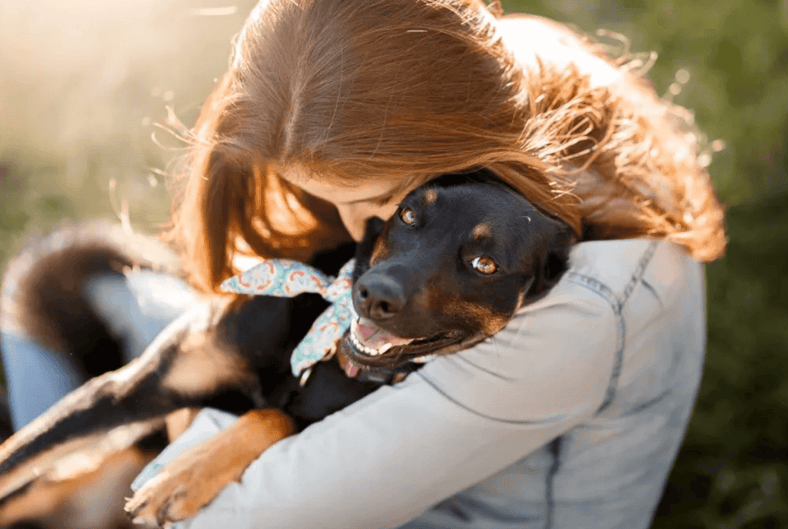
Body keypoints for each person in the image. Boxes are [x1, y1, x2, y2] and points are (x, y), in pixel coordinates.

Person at [2, 0, 727, 528]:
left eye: (381, 199)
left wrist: (193, 406)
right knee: (65, 275)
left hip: (431, 506)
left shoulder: (559, 311)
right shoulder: (510, 80)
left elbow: (225, 516)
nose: (360, 236)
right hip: (325, 375)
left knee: (91, 388)